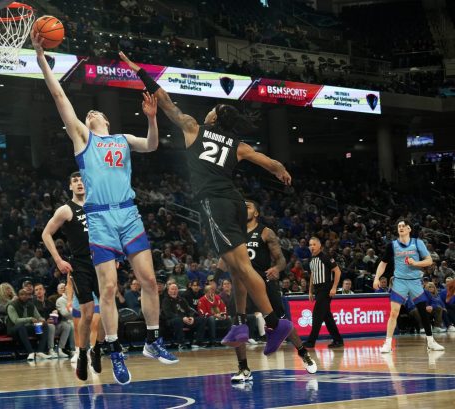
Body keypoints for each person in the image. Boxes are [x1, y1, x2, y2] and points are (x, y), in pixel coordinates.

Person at [120, 51, 293, 355]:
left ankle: (274, 323)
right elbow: (267, 161)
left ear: (213, 118)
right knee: (236, 268)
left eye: (212, 109)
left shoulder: (193, 128)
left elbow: (166, 100)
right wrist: (279, 169)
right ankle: (239, 323)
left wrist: (140, 72)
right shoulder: (238, 146)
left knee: (240, 265)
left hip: (215, 203)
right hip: (235, 202)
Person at [33, 36, 177, 385]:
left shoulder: (123, 139)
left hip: (128, 213)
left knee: (150, 282)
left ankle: (153, 340)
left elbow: (153, 145)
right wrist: (41, 59)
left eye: (96, 112)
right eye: (88, 113)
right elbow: (60, 98)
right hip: (99, 217)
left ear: (107, 121)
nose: (91, 113)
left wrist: (152, 119)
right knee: (109, 289)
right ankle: (114, 351)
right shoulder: (84, 139)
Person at [219, 200, 317, 382]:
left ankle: (303, 353)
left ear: (256, 213)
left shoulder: (265, 232)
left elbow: (280, 259)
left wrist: (277, 269)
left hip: (263, 281)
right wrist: (214, 276)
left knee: (280, 321)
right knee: (238, 325)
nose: (243, 208)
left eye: (248, 206)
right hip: (241, 284)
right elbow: (225, 260)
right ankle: (243, 369)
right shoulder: (234, 233)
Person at [41, 172, 105, 380]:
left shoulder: (97, 204)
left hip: (102, 261)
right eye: (75, 181)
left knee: (107, 310)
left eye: (82, 180)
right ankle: (83, 354)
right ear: (70, 186)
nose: (79, 184)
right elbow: (46, 233)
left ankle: (98, 348)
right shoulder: (66, 209)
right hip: (81, 264)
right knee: (87, 314)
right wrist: (58, 260)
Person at [374, 219, 444, 353]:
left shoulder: (418, 243)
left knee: (423, 313)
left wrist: (415, 264)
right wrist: (377, 278)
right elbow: (383, 263)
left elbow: (429, 261)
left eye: (403, 226)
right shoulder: (392, 245)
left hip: (415, 282)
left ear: (409, 229)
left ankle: (431, 342)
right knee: (394, 312)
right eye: (399, 226)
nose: (400, 228)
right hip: (399, 281)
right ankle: (388, 343)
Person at [302, 237, 344, 349]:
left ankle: (311, 341)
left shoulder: (325, 257)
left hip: (326, 290)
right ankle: (338, 340)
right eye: (310, 245)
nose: (312, 247)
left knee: (317, 315)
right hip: (318, 290)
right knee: (326, 316)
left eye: (314, 244)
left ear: (319, 246)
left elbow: (337, 271)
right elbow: (312, 276)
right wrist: (310, 291)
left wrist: (334, 287)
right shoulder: (311, 260)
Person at [6, 288, 50, 361]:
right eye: (22, 294)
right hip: (13, 329)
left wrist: (43, 320)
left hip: (27, 328)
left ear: (29, 296)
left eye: (26, 295)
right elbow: (16, 321)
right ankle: (30, 352)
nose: (24, 296)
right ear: (18, 296)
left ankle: (40, 351)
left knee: (45, 325)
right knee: (21, 326)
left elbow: (38, 317)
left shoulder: (31, 305)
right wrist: (30, 319)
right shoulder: (12, 306)